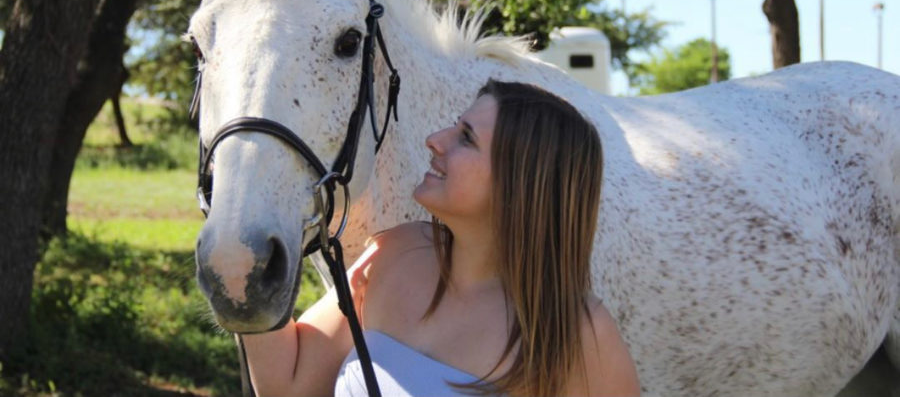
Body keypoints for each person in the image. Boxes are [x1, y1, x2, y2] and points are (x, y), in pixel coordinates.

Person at [242, 79, 640, 396]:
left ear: (520, 182)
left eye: (466, 137)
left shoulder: (576, 332)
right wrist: (244, 251)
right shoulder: (394, 254)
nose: (435, 139)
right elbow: (287, 385)